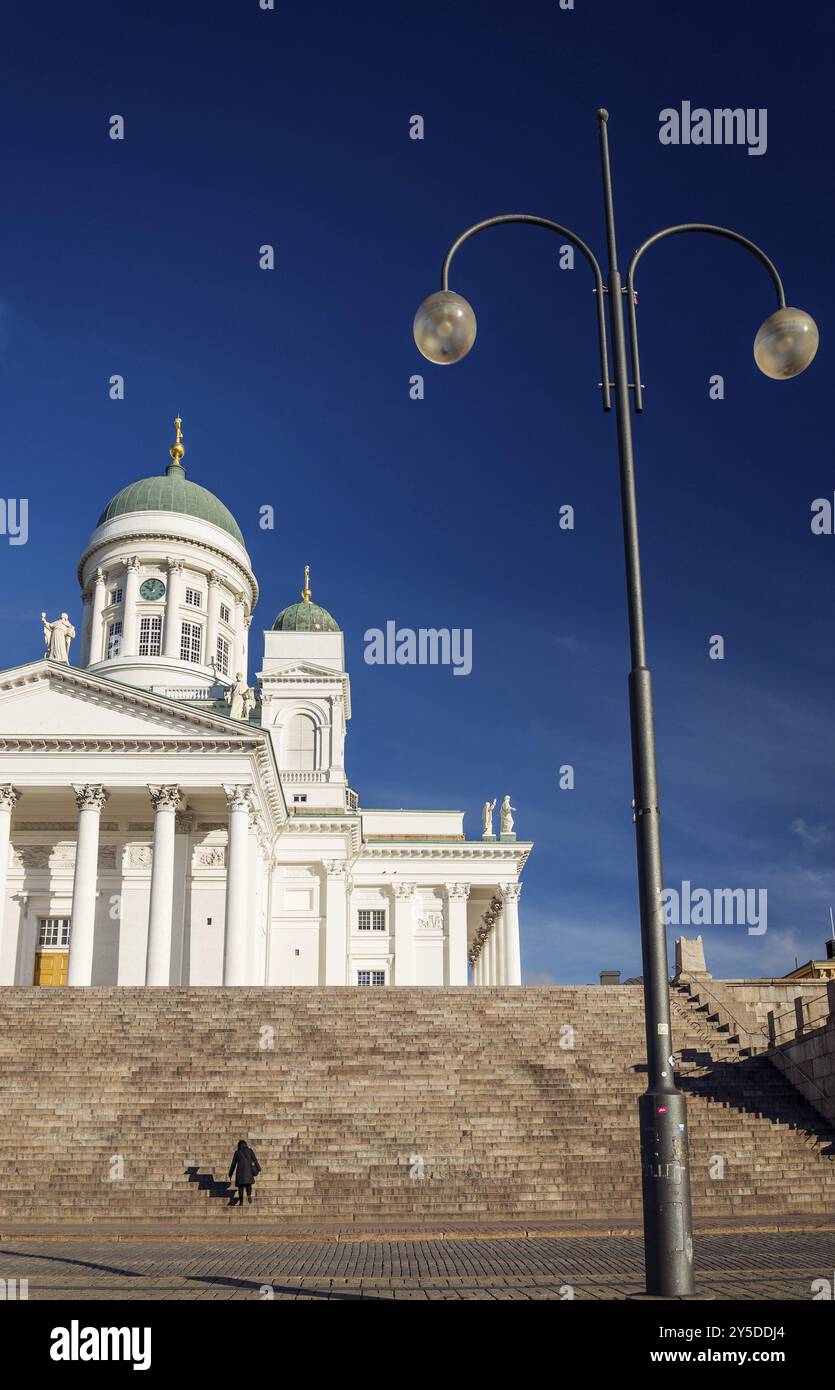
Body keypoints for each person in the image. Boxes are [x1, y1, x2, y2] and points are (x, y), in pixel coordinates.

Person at [228, 1138, 261, 1207]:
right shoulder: (250, 1151)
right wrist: (259, 1168)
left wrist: (230, 1173)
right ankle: (249, 1195)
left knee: (241, 1188)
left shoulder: (237, 1152)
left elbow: (233, 1164)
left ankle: (241, 1202)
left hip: (240, 1173)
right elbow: (255, 1160)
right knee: (248, 1185)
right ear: (245, 1145)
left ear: (239, 1145)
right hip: (248, 1172)